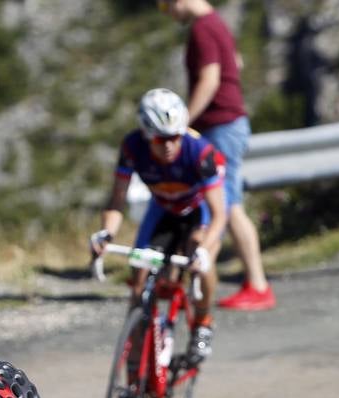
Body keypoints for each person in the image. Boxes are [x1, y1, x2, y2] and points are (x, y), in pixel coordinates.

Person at [90, 87, 227, 363]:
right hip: (162, 209)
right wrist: (106, 233)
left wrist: (203, 252)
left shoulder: (200, 153)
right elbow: (117, 200)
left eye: (174, 137)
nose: (167, 145)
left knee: (201, 257)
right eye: (158, 139)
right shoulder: (132, 148)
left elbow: (219, 215)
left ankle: (202, 323)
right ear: (145, 134)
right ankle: (135, 368)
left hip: (198, 211)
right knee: (139, 282)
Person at [158, 0, 277, 310]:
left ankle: (249, 285)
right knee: (230, 206)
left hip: (221, 127)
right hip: (227, 125)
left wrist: (181, 124)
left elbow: (210, 81)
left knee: (222, 208)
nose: (167, 13)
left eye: (164, 5)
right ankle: (253, 284)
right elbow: (234, 64)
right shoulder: (216, 23)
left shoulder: (202, 29)